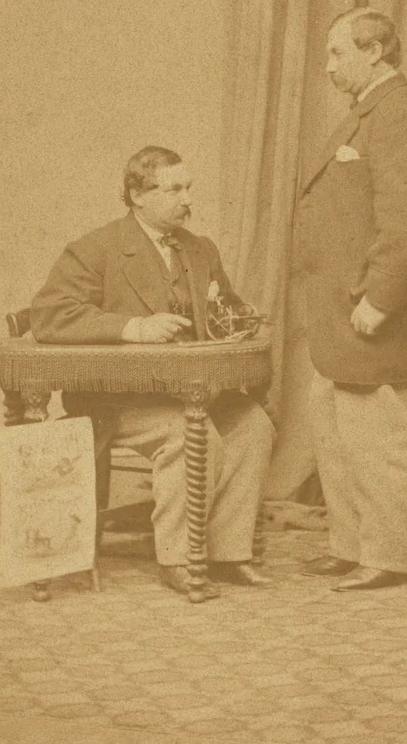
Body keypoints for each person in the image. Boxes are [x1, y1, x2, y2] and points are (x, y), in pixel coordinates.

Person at [30, 146, 274, 599]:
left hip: (190, 390)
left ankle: (226, 552)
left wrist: (242, 318)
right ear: (137, 195)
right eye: (174, 189)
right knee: (190, 433)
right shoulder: (96, 249)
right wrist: (134, 327)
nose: (187, 200)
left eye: (189, 188)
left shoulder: (200, 250)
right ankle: (179, 558)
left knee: (252, 426)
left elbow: (228, 307)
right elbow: (50, 314)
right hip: (119, 402)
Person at [296, 9, 407, 590]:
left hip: (375, 314)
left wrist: (381, 300)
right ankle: (351, 545)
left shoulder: (397, 112)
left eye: (339, 53)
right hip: (342, 313)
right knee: (337, 432)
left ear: (376, 52)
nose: (330, 65)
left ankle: (388, 556)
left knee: (379, 438)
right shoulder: (367, 113)